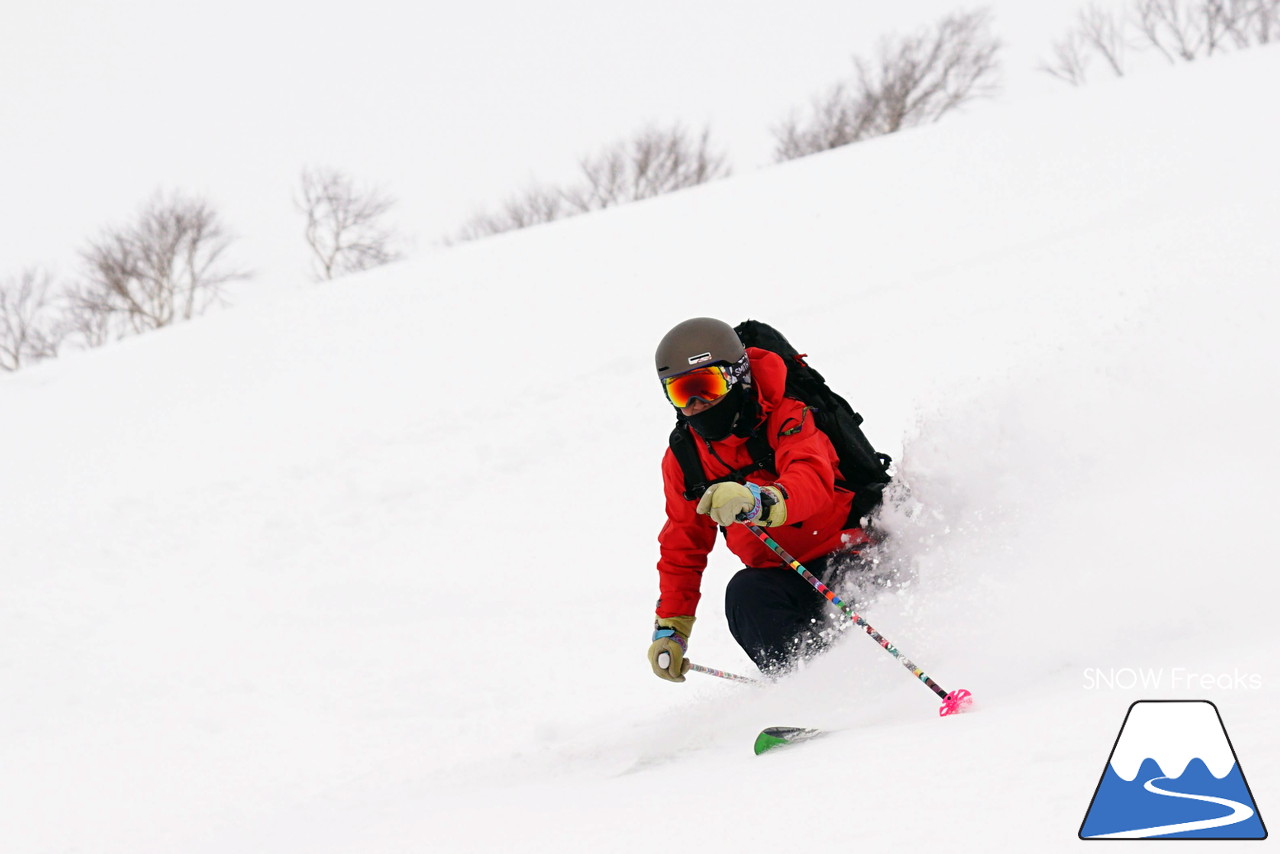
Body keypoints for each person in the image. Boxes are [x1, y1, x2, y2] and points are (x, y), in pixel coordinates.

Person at [648, 317, 875, 681]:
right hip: (783, 577)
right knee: (745, 594)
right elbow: (683, 545)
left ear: (736, 375)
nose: (696, 404)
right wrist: (671, 628)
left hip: (848, 553)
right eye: (681, 393)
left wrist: (759, 501)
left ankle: (880, 679)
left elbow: (810, 479)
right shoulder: (685, 458)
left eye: (706, 386)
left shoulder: (789, 415)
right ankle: (810, 691)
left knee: (861, 582)